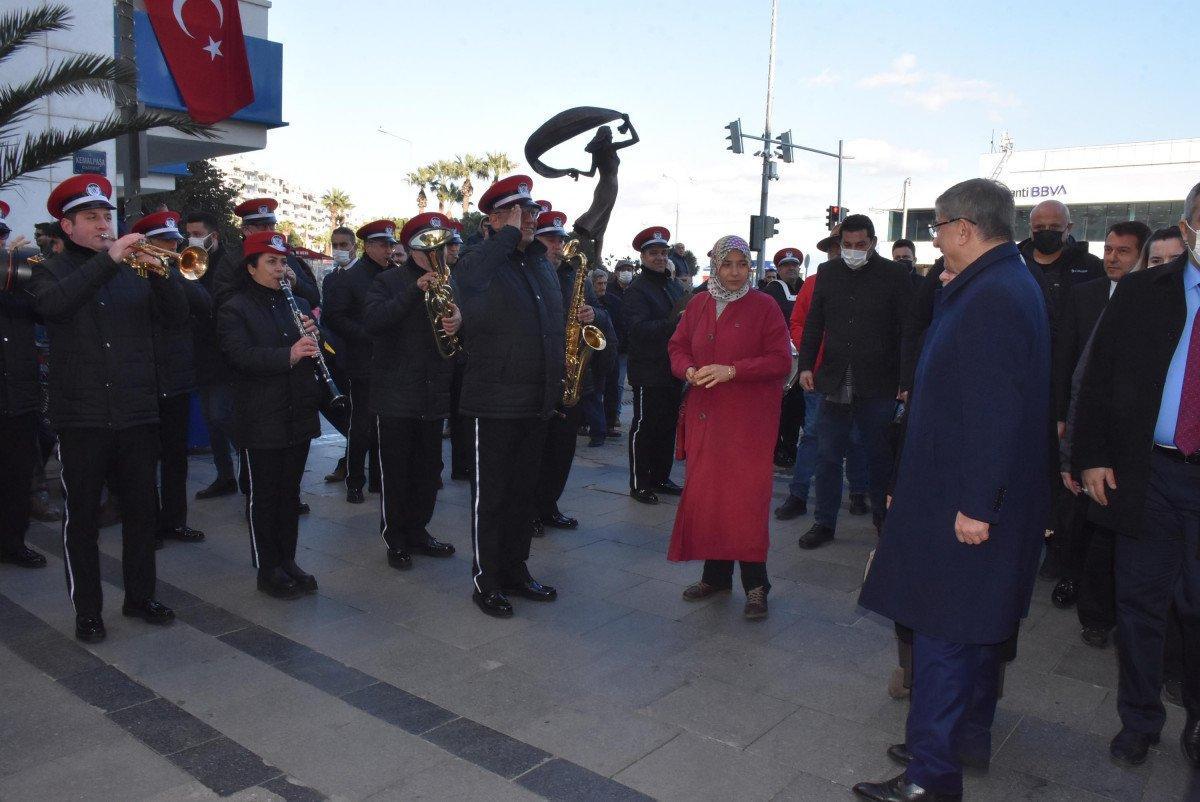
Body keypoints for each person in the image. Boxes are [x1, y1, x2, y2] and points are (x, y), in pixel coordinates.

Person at [854, 178, 1051, 802]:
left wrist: (976, 506)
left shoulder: (992, 295)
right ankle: (957, 742)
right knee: (975, 629)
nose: (934, 239)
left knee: (943, 632)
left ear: (964, 228)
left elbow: (994, 412)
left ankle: (929, 776)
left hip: (964, 500)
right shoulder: (994, 282)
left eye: (937, 227)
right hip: (961, 490)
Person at [1072, 182, 1200, 770]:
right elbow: (1099, 378)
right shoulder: (1143, 291)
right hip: (1149, 474)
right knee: (1139, 604)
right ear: (1187, 225)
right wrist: (1090, 456)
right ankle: (1140, 721)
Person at [28, 174, 187, 642]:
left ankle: (140, 597)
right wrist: (110, 259)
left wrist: (162, 275)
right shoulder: (50, 270)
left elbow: (178, 317)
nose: (103, 225)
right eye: (92, 217)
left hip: (136, 410)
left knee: (141, 511)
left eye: (106, 216)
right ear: (67, 226)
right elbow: (53, 308)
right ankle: (88, 611)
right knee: (82, 518)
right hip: (83, 417)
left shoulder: (134, 269)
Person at [454, 175, 563, 618]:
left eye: (532, 211)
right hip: (494, 401)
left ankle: (517, 570)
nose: (531, 219)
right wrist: (506, 237)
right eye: (520, 212)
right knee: (492, 497)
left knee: (522, 495)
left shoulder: (539, 263)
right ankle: (488, 580)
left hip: (536, 400)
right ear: (495, 219)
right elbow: (469, 280)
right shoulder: (477, 258)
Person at [669, 236, 791, 619]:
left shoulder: (765, 306)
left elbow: (780, 361)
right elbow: (677, 347)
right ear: (715, 266)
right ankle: (716, 577)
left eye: (742, 264)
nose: (736, 272)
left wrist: (733, 371)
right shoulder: (698, 303)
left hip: (747, 425)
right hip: (706, 419)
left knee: (745, 503)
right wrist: (688, 369)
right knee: (710, 499)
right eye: (728, 264)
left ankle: (756, 585)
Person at [1052, 221, 1149, 626]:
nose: (1112, 258)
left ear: (1141, 256)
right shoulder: (1085, 294)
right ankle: (1070, 576)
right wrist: (1060, 415)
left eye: (1123, 251)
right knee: (1076, 506)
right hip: (1081, 416)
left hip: (1131, 429)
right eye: (1108, 249)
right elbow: (1065, 358)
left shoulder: (1154, 301)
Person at [217, 231, 322, 600]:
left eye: (283, 262)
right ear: (251, 267)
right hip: (260, 415)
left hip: (298, 410)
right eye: (271, 262)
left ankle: (288, 560)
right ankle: (268, 569)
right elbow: (238, 356)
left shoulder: (298, 301)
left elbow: (317, 349)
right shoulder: (234, 308)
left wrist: (315, 336)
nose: (280, 269)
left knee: (289, 494)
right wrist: (288, 355)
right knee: (264, 495)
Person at [796, 214, 911, 548]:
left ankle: (884, 521)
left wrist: (906, 379)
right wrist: (806, 366)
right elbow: (814, 323)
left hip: (879, 381)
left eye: (860, 245)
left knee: (878, 455)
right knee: (828, 455)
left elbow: (908, 330)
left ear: (872, 242)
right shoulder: (828, 273)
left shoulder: (894, 275)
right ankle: (824, 522)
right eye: (847, 245)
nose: (853, 250)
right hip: (834, 379)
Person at [364, 212, 460, 571]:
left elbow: (461, 330)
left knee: (428, 470)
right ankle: (396, 538)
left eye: (441, 244)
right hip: (395, 395)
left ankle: (419, 531)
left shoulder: (451, 281)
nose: (438, 251)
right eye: (430, 244)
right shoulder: (388, 281)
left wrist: (460, 321)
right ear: (413, 248)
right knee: (396, 472)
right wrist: (413, 290)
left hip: (433, 391)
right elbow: (374, 321)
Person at [131, 211, 209, 547]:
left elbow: (203, 305)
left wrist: (170, 273)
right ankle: (147, 524)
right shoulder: (130, 273)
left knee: (176, 456)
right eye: (164, 243)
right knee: (144, 459)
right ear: (146, 243)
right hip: (143, 380)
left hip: (176, 378)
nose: (173, 248)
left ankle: (175, 520)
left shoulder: (179, 273)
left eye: (174, 242)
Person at [775, 263, 871, 521]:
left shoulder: (869, 281)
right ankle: (798, 495)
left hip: (856, 373)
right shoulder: (815, 282)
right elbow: (798, 322)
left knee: (855, 435)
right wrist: (813, 357)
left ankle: (858, 491)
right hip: (820, 374)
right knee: (812, 435)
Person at [531, 209, 605, 531]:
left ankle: (549, 506)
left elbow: (601, 316)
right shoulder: (529, 273)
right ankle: (529, 512)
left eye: (560, 240)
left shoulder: (576, 276)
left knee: (562, 451)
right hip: (540, 377)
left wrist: (593, 314)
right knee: (536, 452)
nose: (558, 246)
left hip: (572, 376)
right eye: (550, 239)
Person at [324, 220, 396, 504]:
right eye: (383, 245)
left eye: (391, 245)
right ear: (368, 246)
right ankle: (355, 481)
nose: (389, 250)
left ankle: (379, 479)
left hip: (391, 360)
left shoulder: (393, 274)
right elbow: (334, 317)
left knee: (385, 423)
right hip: (362, 360)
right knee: (361, 424)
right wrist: (365, 334)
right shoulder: (351, 278)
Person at [0, 203, 48, 569]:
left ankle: (13, 542)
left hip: (19, 395)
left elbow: (44, 309)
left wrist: (26, 271)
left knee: (17, 474)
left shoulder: (18, 280)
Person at [624, 226, 687, 504]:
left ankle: (661, 477)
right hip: (648, 369)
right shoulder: (637, 290)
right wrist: (674, 324)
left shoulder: (672, 286)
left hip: (672, 368)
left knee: (667, 426)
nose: (660, 258)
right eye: (654, 253)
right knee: (644, 426)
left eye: (663, 253)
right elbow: (637, 330)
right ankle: (640, 483)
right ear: (643, 256)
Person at [184, 211, 239, 500]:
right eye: (189, 234)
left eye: (197, 234)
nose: (191, 239)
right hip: (200, 353)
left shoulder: (228, 264)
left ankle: (250, 469)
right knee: (211, 419)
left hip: (222, 355)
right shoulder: (191, 260)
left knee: (222, 416)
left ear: (213, 236)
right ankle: (225, 475)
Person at [212, 198, 320, 310]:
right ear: (246, 230)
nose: (269, 231)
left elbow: (314, 299)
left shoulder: (287, 257)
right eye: (262, 227)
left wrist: (296, 283)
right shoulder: (231, 261)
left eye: (272, 225)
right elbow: (222, 301)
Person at [320, 225, 357, 484]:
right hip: (334, 352)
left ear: (354, 246)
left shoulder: (362, 274)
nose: (339, 249)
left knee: (355, 410)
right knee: (333, 405)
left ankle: (350, 461)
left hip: (356, 351)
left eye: (344, 245)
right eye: (335, 245)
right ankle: (352, 451)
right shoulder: (331, 278)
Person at [764, 248, 804, 468]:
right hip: (782, 357)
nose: (791, 269)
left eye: (794, 265)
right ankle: (776, 448)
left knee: (796, 409)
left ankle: (790, 447)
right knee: (779, 407)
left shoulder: (806, 287)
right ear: (779, 269)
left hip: (803, 357)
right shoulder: (772, 291)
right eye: (786, 265)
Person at [592, 267, 623, 439]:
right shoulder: (586, 300)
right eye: (599, 284)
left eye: (604, 283)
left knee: (612, 388)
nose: (602, 287)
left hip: (611, 351)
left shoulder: (614, 302)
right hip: (594, 353)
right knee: (593, 390)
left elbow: (622, 324)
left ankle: (609, 424)